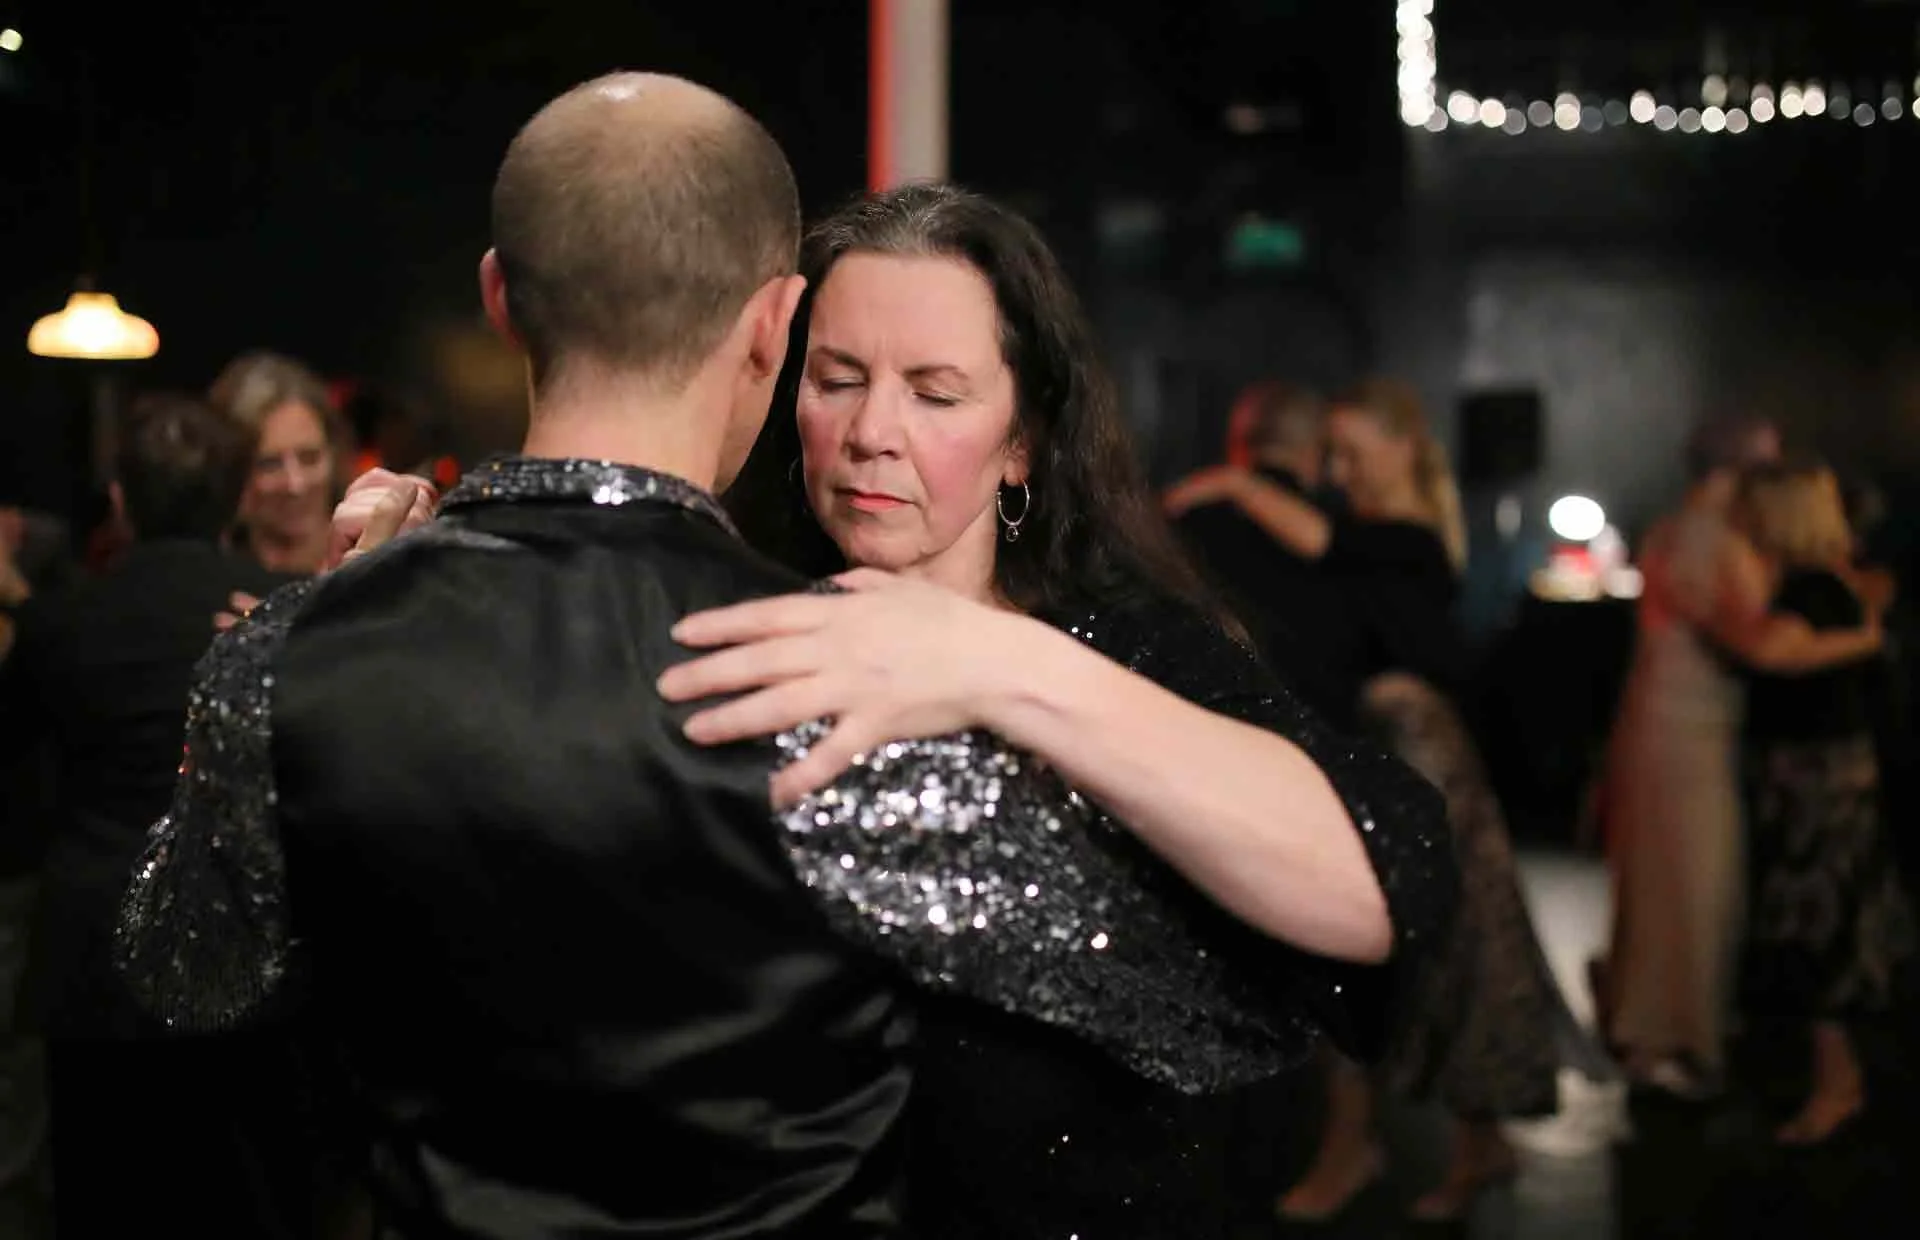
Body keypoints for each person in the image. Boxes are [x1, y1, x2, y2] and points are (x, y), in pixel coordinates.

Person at [121, 80, 1453, 1239]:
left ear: (1027, 437)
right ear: (773, 348)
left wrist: (1002, 668)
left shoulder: (1115, 645)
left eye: (934, 394)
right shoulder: (747, 632)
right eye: (837, 376)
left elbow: (1368, 903)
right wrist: (400, 617)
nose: (873, 431)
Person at [1163, 379, 1588, 1221]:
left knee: (1461, 949)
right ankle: (1454, 1145)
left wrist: (1229, 482)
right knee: (1409, 953)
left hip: (1430, 758)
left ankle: (1447, 1147)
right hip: (1392, 754)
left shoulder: (1402, 538)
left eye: (1354, 450)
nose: (1340, 466)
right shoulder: (1363, 534)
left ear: (1403, 447)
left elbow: (1327, 546)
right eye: (1335, 451)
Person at [0, 395, 305, 1236]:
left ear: (122, 500)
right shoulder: (283, 612)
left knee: (103, 1197)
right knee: (249, 1196)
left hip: (92, 945)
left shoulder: (61, 621)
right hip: (238, 935)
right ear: (239, 494)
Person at [1593, 416, 1881, 1097]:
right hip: (1691, 733)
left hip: (1664, 724)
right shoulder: (1712, 539)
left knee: (1670, 878)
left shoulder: (1674, 527)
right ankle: (1676, 1040)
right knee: (1695, 887)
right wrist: (1867, 638)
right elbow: (1758, 644)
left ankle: (1653, 1028)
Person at [1733, 462, 1914, 1144]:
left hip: (1821, 789)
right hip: (1826, 783)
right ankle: (1836, 1083)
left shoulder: (1812, 587)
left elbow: (1772, 653)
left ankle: (1837, 1088)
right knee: (1830, 937)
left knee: (1823, 940)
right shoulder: (1830, 581)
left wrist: (1866, 639)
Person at [1166, 381, 1363, 727]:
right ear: (1316, 450)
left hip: (1202, 728)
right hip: (1317, 739)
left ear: (1237, 442)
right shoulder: (1341, 535)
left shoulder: (1183, 521)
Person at [209, 350, 350, 575]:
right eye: (270, 464)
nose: (296, 485)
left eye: (310, 458)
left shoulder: (369, 563)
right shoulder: (210, 576)